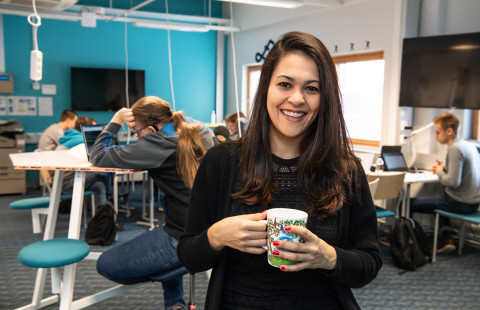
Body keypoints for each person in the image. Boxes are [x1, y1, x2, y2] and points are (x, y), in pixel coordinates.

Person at [177, 31, 382, 310]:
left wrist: (329, 257)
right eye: (285, 84)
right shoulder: (222, 162)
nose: (297, 99)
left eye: (312, 88)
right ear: (266, 89)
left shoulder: (345, 169)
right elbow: (189, 256)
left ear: (325, 98)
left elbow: (369, 262)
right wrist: (216, 236)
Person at [89, 96, 216, 310]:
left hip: (183, 235)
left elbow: (98, 156)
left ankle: (189, 260)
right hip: (212, 229)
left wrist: (117, 120)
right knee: (160, 230)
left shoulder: (155, 143)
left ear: (151, 128)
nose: (138, 138)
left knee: (106, 265)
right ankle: (175, 302)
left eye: (137, 132)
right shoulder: (201, 130)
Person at [410, 113, 480, 254]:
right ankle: (447, 239)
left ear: (449, 131)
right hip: (473, 203)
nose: (435, 136)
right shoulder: (468, 145)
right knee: (441, 198)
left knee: (409, 203)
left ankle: (407, 241)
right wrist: (445, 167)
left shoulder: (455, 149)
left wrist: (440, 171)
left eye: (437, 132)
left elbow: (452, 182)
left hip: (459, 203)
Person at [55, 116, 107, 207]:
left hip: (61, 181)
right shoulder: (81, 142)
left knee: (99, 185)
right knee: (102, 173)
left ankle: (101, 214)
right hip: (64, 184)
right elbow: (91, 162)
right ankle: (109, 202)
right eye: (93, 128)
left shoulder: (70, 136)